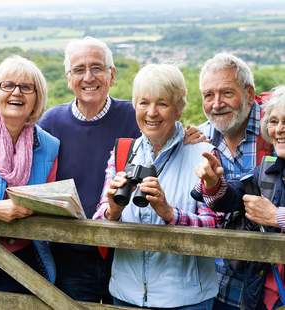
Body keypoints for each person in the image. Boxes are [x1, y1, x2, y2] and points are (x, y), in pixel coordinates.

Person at [93, 64, 219, 309]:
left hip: (186, 299)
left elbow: (216, 223)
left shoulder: (203, 155)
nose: (151, 112)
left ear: (179, 108)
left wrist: (170, 213)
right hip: (126, 294)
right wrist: (112, 211)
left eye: (162, 103)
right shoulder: (122, 153)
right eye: (143, 103)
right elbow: (99, 219)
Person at [38, 36, 141, 302]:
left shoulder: (135, 117)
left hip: (126, 251)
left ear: (112, 74)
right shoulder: (51, 122)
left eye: (96, 67)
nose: (88, 77)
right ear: (68, 77)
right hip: (71, 253)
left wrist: (189, 135)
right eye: (79, 69)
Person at [193, 85, 285, 310]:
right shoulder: (268, 169)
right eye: (274, 122)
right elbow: (235, 198)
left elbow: (273, 216)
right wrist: (214, 184)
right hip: (266, 297)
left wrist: (277, 217)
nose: (280, 129)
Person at [0, 55, 60, 293]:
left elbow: (47, 201)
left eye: (26, 87)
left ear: (37, 99)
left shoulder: (49, 146)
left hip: (22, 261)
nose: (16, 93)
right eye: (8, 85)